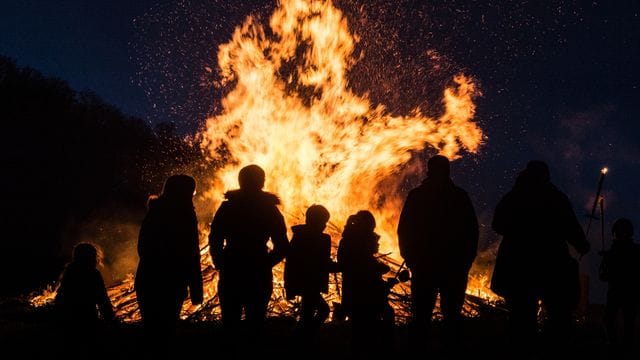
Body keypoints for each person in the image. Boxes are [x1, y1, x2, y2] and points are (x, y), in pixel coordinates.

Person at [491, 160, 590, 354]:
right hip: (551, 265)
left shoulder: (513, 197)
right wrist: (582, 244)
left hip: (519, 266)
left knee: (521, 316)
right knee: (557, 315)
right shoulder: (555, 198)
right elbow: (570, 225)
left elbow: (497, 225)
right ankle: (553, 350)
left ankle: (522, 350)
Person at [397, 154, 479, 350]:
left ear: (429, 170)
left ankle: (421, 349)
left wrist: (410, 257)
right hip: (449, 266)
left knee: (424, 314)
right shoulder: (458, 196)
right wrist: (465, 260)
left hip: (430, 266)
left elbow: (405, 229)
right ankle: (449, 348)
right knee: (449, 315)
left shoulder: (419, 196)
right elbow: (471, 231)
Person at [209, 164, 289, 344]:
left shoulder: (228, 208)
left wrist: (221, 261)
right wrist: (265, 263)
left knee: (230, 324)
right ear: (262, 182)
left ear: (240, 181)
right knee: (256, 323)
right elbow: (282, 245)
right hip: (257, 271)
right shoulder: (270, 209)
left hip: (232, 269)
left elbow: (215, 238)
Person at [134, 174, 203, 345]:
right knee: (166, 332)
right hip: (172, 282)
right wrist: (196, 288)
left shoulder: (154, 211)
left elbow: (142, 247)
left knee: (151, 331)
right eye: (192, 192)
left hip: (147, 279)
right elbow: (191, 252)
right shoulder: (184, 214)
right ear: (186, 192)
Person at [338, 210, 395, 356]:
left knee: (358, 334)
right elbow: (364, 267)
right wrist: (380, 269)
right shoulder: (359, 242)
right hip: (365, 299)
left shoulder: (347, 240)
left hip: (353, 295)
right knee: (365, 335)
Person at [284, 204, 337, 342]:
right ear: (313, 220)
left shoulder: (300, 236)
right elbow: (294, 262)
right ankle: (303, 338)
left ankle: (303, 337)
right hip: (309, 284)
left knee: (309, 314)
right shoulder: (315, 239)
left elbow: (291, 262)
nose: (325, 225)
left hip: (307, 284)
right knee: (319, 311)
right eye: (323, 222)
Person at [55, 242, 115, 333]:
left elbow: (59, 298)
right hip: (87, 320)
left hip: (67, 322)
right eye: (94, 256)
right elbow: (102, 300)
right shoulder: (93, 274)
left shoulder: (69, 272)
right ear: (92, 257)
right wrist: (111, 320)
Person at [599, 218, 640, 347]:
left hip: (618, 291)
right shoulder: (636, 251)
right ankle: (623, 346)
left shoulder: (613, 252)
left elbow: (603, 276)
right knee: (627, 320)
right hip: (630, 291)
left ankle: (614, 344)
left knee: (612, 318)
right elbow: (604, 276)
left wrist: (607, 261)